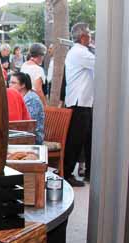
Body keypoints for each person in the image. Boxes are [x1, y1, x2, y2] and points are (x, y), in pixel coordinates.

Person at [63, 22, 95, 186]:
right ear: (83, 37)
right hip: (79, 103)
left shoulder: (80, 51)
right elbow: (101, 64)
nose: (90, 37)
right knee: (75, 140)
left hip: (84, 102)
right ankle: (67, 173)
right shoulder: (80, 52)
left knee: (89, 139)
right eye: (89, 34)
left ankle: (90, 172)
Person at [9, 72, 45, 145]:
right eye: (9, 82)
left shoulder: (32, 100)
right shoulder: (18, 97)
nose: (10, 85)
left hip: (34, 137)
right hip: (22, 132)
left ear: (23, 85)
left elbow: (29, 124)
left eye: (13, 83)